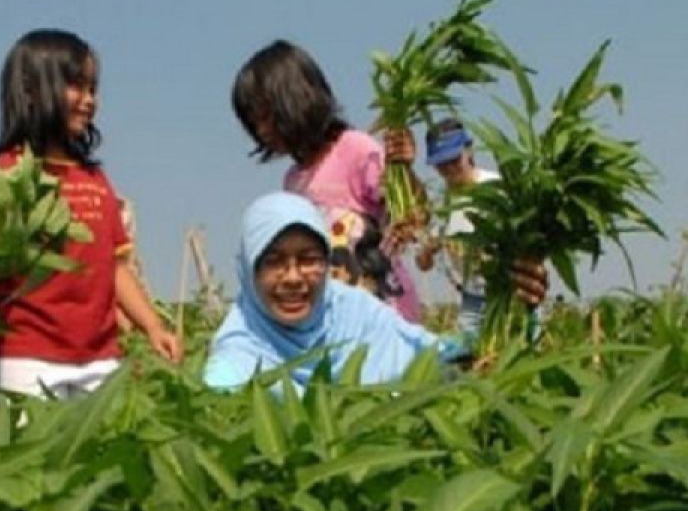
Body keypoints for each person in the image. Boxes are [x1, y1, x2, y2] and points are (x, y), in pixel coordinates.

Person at [0, 29, 179, 398]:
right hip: (25, 355)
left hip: (100, 356)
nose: (88, 100)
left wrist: (153, 326)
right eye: (76, 87)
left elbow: (116, 267)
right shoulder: (9, 172)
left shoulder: (95, 179)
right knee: (34, 454)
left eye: (93, 89)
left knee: (101, 454)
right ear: (31, 90)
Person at [231, 40, 425, 322]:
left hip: (381, 311)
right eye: (254, 122)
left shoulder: (356, 150)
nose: (262, 130)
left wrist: (405, 171)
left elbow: (410, 212)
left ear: (298, 100)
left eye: (268, 117)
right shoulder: (293, 181)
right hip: (333, 317)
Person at [204, 192, 465, 392]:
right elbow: (224, 385)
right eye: (274, 262)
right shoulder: (237, 354)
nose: (294, 277)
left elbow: (424, 349)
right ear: (249, 272)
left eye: (308, 259)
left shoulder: (353, 309)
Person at [414, 118, 545, 342]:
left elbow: (530, 239)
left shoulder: (498, 188)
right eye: (441, 164)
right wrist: (426, 251)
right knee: (469, 362)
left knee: (524, 352)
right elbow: (424, 265)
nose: (448, 169)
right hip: (472, 300)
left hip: (511, 294)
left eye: (454, 160)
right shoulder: (441, 205)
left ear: (469, 150)